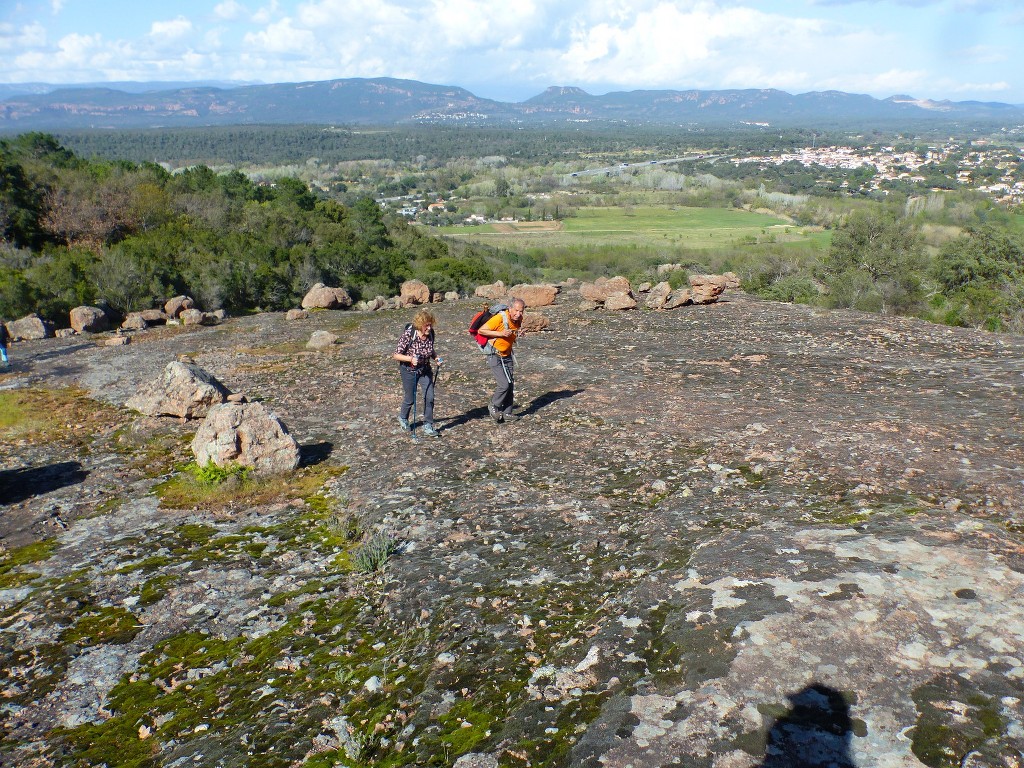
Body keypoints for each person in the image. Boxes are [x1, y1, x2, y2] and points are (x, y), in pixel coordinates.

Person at [393, 309, 443, 437]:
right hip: (409, 370)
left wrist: (436, 358)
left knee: (429, 397)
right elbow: (396, 355)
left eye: (430, 324)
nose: (429, 327)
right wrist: (410, 359)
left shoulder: (431, 334)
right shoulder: (409, 335)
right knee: (410, 398)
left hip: (425, 369)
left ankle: (428, 424)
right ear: (420, 324)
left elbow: (430, 350)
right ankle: (403, 418)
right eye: (426, 325)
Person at [477, 297, 525, 423]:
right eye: (516, 310)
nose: (518, 314)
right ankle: (493, 405)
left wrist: (518, 333)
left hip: (507, 354)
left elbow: (513, 331)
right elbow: (481, 330)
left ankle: (507, 413)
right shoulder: (500, 318)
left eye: (521, 311)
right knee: (504, 384)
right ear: (510, 308)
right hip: (494, 354)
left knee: (510, 383)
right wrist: (501, 334)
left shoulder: (518, 319)